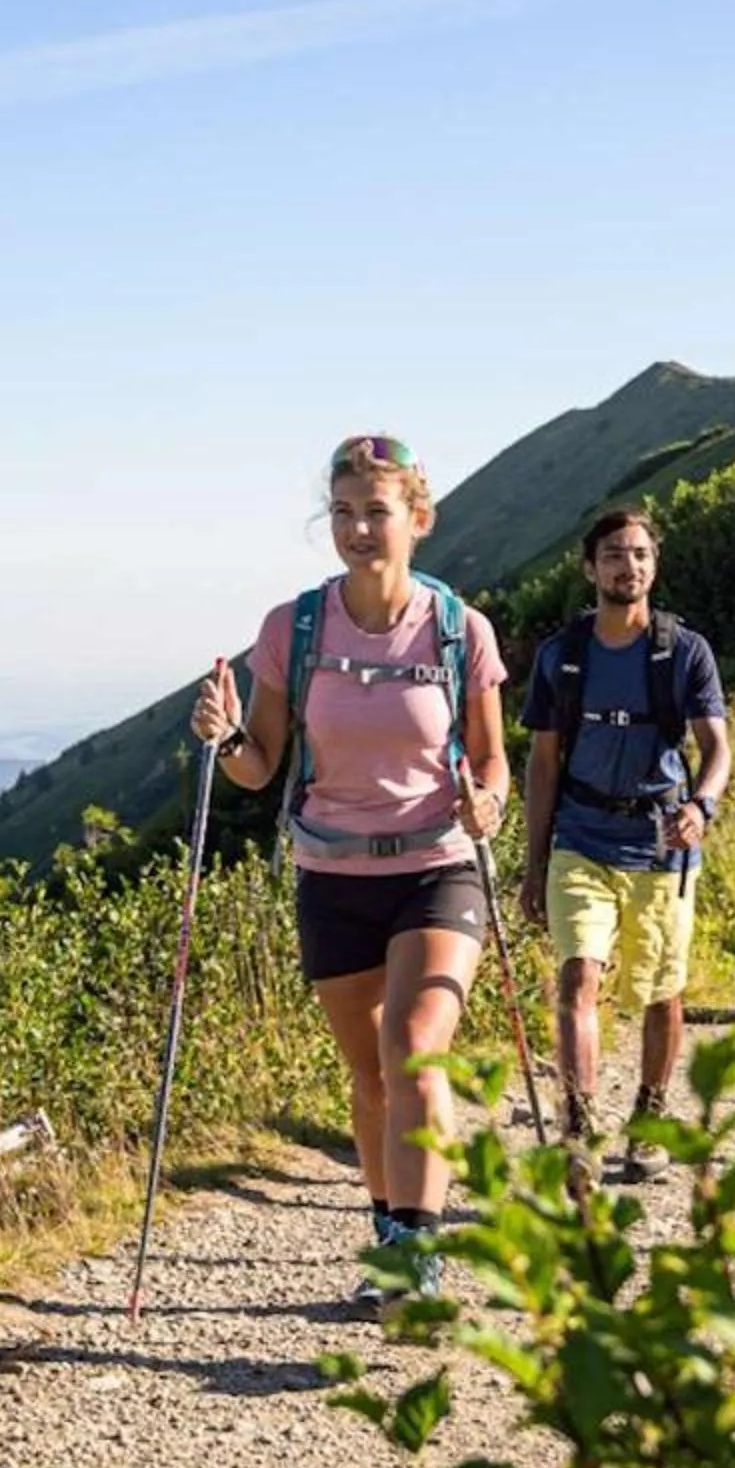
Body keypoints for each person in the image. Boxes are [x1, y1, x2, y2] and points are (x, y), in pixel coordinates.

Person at [189, 433, 510, 1322]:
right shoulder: (291, 629)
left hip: (437, 868)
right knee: (370, 1076)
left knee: (414, 1046)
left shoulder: (459, 631)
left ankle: (418, 1255)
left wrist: (488, 801)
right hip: (330, 870)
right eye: (343, 514)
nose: (360, 530)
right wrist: (221, 736)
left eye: (377, 511)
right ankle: (387, 1234)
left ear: (419, 518)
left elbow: (492, 760)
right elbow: (260, 767)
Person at [518, 508, 730, 1192]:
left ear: (654, 565)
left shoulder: (685, 651)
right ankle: (579, 1128)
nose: (627, 566)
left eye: (639, 554)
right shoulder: (563, 656)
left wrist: (700, 805)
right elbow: (543, 763)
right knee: (579, 977)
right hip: (581, 838)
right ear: (590, 568)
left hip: (662, 845)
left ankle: (649, 1111)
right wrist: (534, 860)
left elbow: (718, 747)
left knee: (662, 994)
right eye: (613, 554)